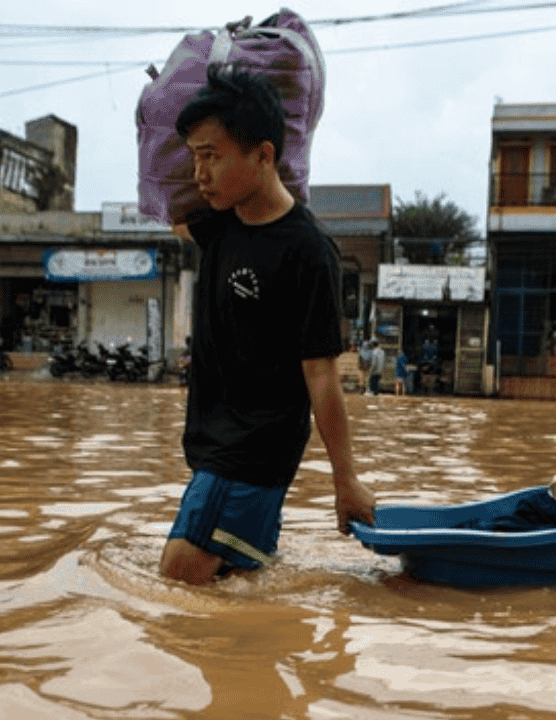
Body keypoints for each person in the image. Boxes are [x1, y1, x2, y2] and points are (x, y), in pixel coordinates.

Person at [159, 65, 375, 585]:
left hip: (251, 453)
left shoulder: (308, 252)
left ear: (263, 155)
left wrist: (346, 481)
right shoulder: (218, 226)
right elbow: (165, 207)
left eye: (211, 157)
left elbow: (323, 376)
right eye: (194, 158)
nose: (200, 173)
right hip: (215, 444)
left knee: (178, 574)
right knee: (237, 587)